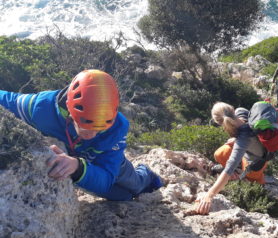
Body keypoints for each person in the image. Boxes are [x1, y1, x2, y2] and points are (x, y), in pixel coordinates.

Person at [0, 69, 162, 200]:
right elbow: (7, 100)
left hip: (106, 161)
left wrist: (77, 167)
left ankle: (145, 174)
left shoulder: (117, 127)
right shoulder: (41, 108)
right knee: (122, 196)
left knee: (135, 186)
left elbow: (106, 179)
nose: (91, 135)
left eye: (99, 129)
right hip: (76, 162)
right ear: (70, 110)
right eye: (85, 127)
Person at [196, 102, 268, 215]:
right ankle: (239, 171)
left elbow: (229, 168)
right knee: (219, 154)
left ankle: (256, 177)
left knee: (251, 175)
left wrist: (209, 195)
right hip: (251, 151)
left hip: (257, 161)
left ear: (218, 122)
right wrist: (236, 141)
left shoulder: (243, 138)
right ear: (233, 109)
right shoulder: (241, 111)